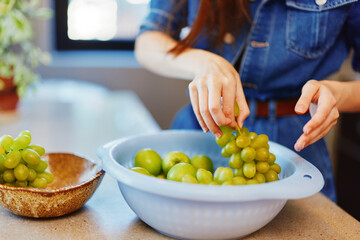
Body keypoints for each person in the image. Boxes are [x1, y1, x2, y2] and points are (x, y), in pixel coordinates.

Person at [135, 0, 360, 202]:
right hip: (202, 126)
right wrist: (201, 63)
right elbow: (147, 41)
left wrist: (336, 94)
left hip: (296, 147)